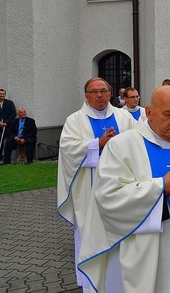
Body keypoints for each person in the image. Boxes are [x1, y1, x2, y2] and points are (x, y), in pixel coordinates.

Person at [77, 85, 170, 292]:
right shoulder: (122, 146)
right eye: (168, 114)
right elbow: (108, 196)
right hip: (146, 253)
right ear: (148, 112)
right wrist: (163, 186)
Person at [57, 77, 135, 290]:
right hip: (88, 191)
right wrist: (97, 144)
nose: (99, 95)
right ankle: (89, 282)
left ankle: (121, 281)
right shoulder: (75, 120)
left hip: (121, 188)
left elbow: (139, 142)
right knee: (89, 232)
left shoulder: (124, 117)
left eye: (103, 91)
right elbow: (67, 149)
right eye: (94, 91)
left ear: (110, 93)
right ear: (86, 95)